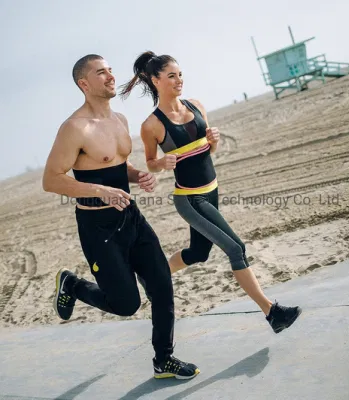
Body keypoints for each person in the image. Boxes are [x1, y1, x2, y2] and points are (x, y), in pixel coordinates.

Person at [119, 51, 302, 334]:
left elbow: (208, 150)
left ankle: (152, 278)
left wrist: (214, 141)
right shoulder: (151, 125)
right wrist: (162, 164)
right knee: (236, 248)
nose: (179, 80)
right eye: (171, 76)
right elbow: (152, 163)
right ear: (155, 80)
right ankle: (272, 313)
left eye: (180, 74)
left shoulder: (196, 106)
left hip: (212, 191)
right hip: (190, 199)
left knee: (198, 253)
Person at [42, 54, 200, 380]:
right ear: (84, 84)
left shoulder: (120, 120)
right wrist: (101, 192)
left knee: (161, 284)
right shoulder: (74, 128)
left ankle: (163, 360)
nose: (111, 76)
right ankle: (72, 284)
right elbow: (52, 179)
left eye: (111, 70)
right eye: (101, 73)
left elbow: (114, 166)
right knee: (126, 305)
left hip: (131, 218)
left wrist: (137, 175)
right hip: (97, 226)